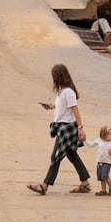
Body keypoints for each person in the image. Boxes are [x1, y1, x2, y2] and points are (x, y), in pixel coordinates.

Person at [27, 63, 92, 195]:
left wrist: (81, 128)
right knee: (72, 155)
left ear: (59, 77)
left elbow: (75, 110)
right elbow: (64, 107)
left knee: (55, 156)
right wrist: (51, 106)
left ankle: (44, 186)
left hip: (67, 128)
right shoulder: (61, 91)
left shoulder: (68, 92)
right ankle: (85, 182)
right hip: (62, 127)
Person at [89, 125, 111, 196]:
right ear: (103, 134)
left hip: (107, 163)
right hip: (99, 163)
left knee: (105, 175)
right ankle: (103, 191)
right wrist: (84, 140)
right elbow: (91, 144)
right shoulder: (99, 140)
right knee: (101, 178)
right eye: (110, 134)